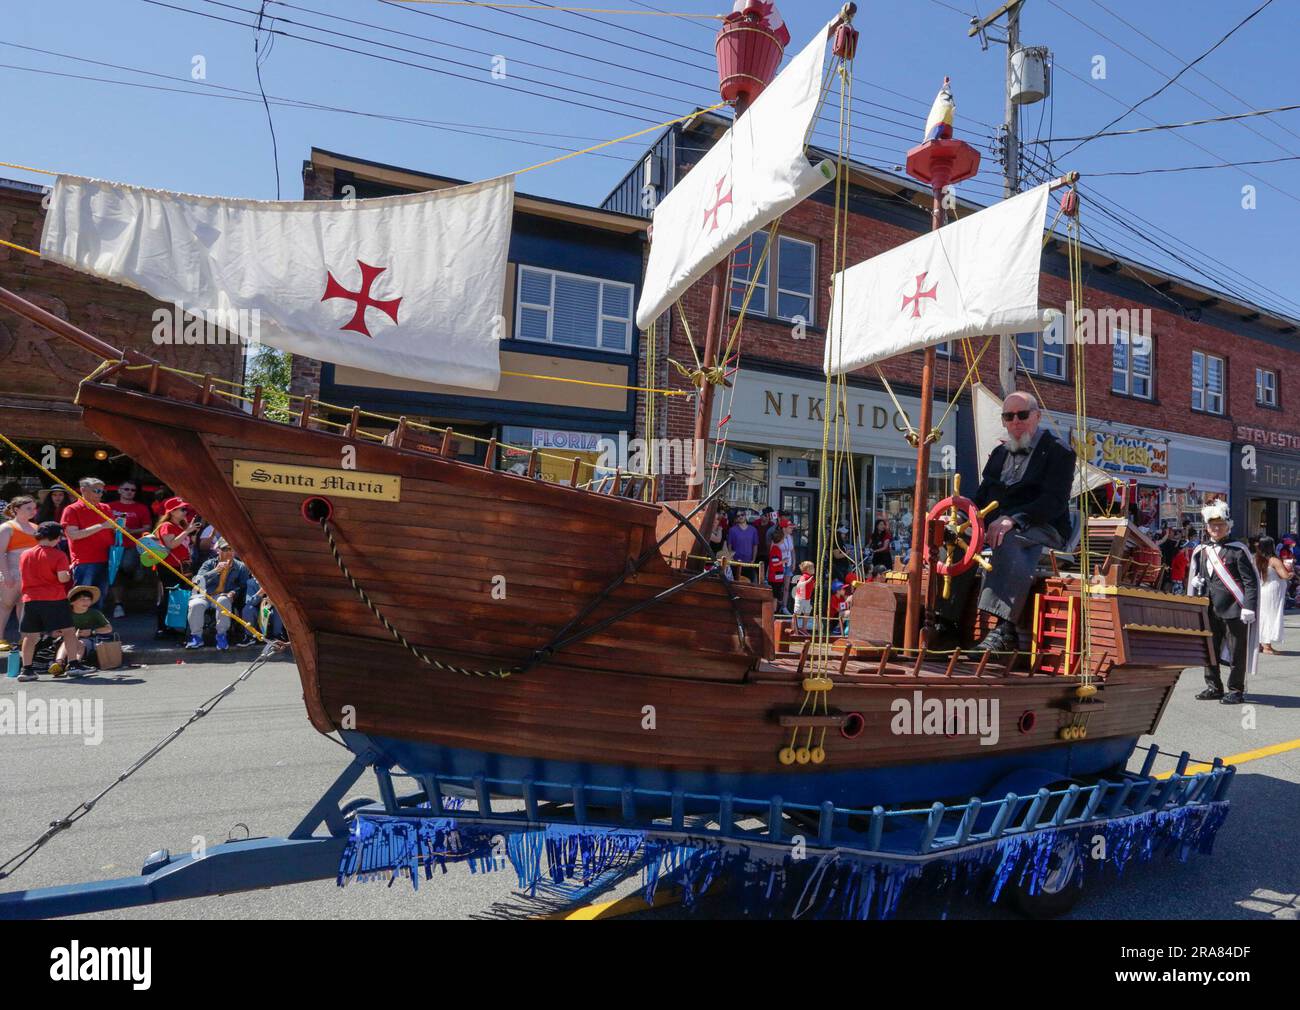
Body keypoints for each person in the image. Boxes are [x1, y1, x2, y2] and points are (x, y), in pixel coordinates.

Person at [934, 391, 1074, 654]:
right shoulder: (999, 454)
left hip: (1044, 527)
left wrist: (1014, 520)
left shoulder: (1059, 452)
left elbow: (1053, 502)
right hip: (1000, 523)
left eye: (1022, 415)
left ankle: (1003, 630)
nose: (1016, 421)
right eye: (1009, 416)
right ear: (1003, 421)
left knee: (1006, 538)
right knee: (954, 535)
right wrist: (960, 517)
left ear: (1037, 417)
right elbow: (981, 497)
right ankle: (946, 623)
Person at [1188, 500, 1259, 704]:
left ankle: (1236, 689)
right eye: (1212, 525)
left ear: (1228, 526)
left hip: (1234, 609)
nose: (1216, 529)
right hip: (1208, 608)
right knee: (1209, 648)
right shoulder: (1202, 550)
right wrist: (1196, 580)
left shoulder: (1237, 550)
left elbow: (1250, 582)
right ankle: (1213, 686)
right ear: (1207, 527)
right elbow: (1202, 575)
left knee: (1237, 651)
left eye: (1220, 525)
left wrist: (1249, 607)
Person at [15, 522, 89, 680]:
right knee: (68, 631)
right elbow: (63, 578)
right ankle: (73, 664)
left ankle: (26, 669)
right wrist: (69, 572)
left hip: (30, 598)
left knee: (31, 635)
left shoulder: (25, 554)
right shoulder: (58, 555)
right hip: (54, 598)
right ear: (56, 537)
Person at [60, 477, 116, 605]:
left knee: (100, 597)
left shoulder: (106, 508)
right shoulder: (72, 509)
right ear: (83, 490)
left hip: (107, 558)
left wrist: (118, 527)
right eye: (96, 491)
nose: (100, 494)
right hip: (85, 561)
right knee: (81, 599)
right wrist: (101, 526)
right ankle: (79, 624)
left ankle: (95, 624)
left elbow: (111, 529)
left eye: (102, 491)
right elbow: (72, 535)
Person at [186, 539, 250, 650]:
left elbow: (243, 585)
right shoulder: (209, 563)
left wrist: (233, 592)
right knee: (196, 604)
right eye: (225, 549)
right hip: (205, 594)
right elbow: (197, 580)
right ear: (218, 550)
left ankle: (221, 635)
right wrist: (215, 571)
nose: (229, 552)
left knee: (223, 601)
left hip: (223, 595)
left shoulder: (241, 567)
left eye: (231, 549)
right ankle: (196, 637)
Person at [153, 496, 202, 638]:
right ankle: (162, 628)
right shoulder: (166, 526)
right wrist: (187, 531)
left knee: (179, 596)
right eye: (182, 509)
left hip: (182, 566)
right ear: (172, 511)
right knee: (167, 597)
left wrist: (192, 533)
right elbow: (171, 544)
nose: (185, 512)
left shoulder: (181, 525)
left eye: (186, 509)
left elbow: (186, 545)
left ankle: (172, 626)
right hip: (168, 566)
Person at [107, 480, 154, 619]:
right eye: (126, 489)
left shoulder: (141, 508)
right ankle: (118, 604)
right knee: (115, 574)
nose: (129, 492)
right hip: (113, 546)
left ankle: (136, 573)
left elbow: (147, 528)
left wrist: (130, 531)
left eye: (133, 490)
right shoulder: (109, 507)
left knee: (126, 567)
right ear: (119, 490)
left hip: (133, 545)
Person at [0, 496, 40, 646]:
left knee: (24, 605)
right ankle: (0, 638)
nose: (32, 511)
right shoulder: (7, 527)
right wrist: (6, 574)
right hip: (11, 571)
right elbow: (0, 553)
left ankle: (25, 637)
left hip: (30, 574)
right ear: (16, 509)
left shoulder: (36, 528)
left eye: (34, 508)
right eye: (28, 508)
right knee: (5, 604)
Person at [59, 585, 113, 667]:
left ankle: (75, 663)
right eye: (82, 599)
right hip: (69, 639)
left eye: (88, 600)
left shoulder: (95, 613)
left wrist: (92, 631)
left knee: (81, 643)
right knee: (68, 640)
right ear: (72, 602)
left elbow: (108, 629)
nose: (86, 602)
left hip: (90, 640)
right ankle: (59, 662)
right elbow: (56, 631)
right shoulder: (66, 614)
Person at [1254, 536, 1288, 655]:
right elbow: (1284, 575)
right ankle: (1267, 646)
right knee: (1271, 616)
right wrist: (1291, 572)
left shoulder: (1255, 558)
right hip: (1273, 591)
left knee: (1261, 616)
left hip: (1262, 589)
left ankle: (1258, 644)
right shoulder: (1274, 560)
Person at [726, 510, 760, 577]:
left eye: (742, 515)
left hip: (749, 562)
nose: (740, 517)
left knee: (748, 584)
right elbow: (729, 545)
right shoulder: (732, 530)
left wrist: (753, 559)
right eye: (738, 516)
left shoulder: (753, 530)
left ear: (745, 515)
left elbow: (755, 545)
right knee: (736, 584)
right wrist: (731, 558)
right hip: (736, 562)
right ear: (736, 518)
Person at [767, 526, 788, 613]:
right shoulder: (776, 549)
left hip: (776, 577)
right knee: (775, 596)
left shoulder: (775, 548)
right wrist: (783, 561)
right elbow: (774, 563)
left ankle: (774, 611)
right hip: (775, 578)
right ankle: (773, 612)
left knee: (775, 596)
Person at [792, 561, 815, 634]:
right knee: (797, 613)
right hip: (800, 598)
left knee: (807, 612)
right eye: (812, 568)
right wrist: (807, 582)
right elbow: (798, 585)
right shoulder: (804, 577)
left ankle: (803, 628)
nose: (814, 569)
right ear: (808, 569)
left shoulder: (811, 578)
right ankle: (794, 628)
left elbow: (812, 586)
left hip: (807, 599)